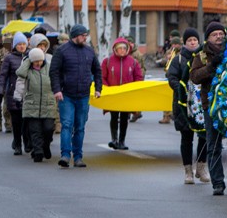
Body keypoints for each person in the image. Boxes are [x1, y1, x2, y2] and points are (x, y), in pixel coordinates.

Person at [190, 21, 227, 195]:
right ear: (208, 38)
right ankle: (218, 182)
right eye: (214, 34)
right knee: (213, 145)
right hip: (211, 105)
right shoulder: (201, 56)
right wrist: (211, 67)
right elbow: (194, 77)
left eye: (221, 33)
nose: (219, 37)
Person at [49, 25, 102, 168]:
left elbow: (97, 71)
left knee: (80, 127)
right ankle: (65, 155)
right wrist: (57, 90)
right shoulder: (62, 51)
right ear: (75, 35)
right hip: (66, 95)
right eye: (83, 35)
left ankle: (78, 157)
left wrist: (98, 88)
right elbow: (54, 72)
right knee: (66, 125)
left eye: (86, 35)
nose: (85, 38)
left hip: (83, 95)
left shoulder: (89, 51)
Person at [167, 28, 208, 185]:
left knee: (204, 136)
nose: (193, 42)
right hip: (183, 105)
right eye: (190, 40)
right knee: (186, 138)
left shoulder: (203, 57)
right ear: (185, 42)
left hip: (200, 103)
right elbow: (172, 78)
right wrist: (184, 89)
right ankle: (188, 171)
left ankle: (201, 167)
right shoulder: (178, 59)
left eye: (195, 40)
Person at [101, 37, 143, 150]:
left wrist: (134, 89)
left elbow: (138, 78)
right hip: (113, 95)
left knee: (124, 118)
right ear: (115, 49)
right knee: (114, 117)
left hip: (126, 96)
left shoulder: (133, 62)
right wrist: (106, 90)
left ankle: (122, 141)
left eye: (124, 48)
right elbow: (102, 77)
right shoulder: (107, 61)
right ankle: (114, 139)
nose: (122, 50)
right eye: (120, 48)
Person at [16, 48, 57, 163]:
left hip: (48, 103)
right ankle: (38, 152)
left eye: (40, 60)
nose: (38, 63)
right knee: (35, 130)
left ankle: (46, 146)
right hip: (31, 104)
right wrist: (28, 61)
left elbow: (57, 80)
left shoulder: (49, 68)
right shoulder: (28, 70)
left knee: (48, 129)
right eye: (35, 61)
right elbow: (20, 73)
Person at [0, 33, 30, 154]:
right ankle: (17, 144)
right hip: (13, 94)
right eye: (19, 44)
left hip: (28, 94)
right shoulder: (9, 58)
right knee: (16, 121)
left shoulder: (30, 56)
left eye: (23, 44)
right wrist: (0, 91)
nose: (21, 47)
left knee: (26, 120)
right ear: (15, 45)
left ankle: (27, 141)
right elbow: (3, 76)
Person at [160, 35, 183, 124]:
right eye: (173, 44)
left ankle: (173, 114)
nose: (174, 46)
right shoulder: (170, 51)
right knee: (166, 97)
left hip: (177, 78)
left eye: (176, 44)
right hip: (169, 76)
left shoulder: (181, 53)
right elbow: (163, 62)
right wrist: (167, 59)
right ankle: (166, 115)